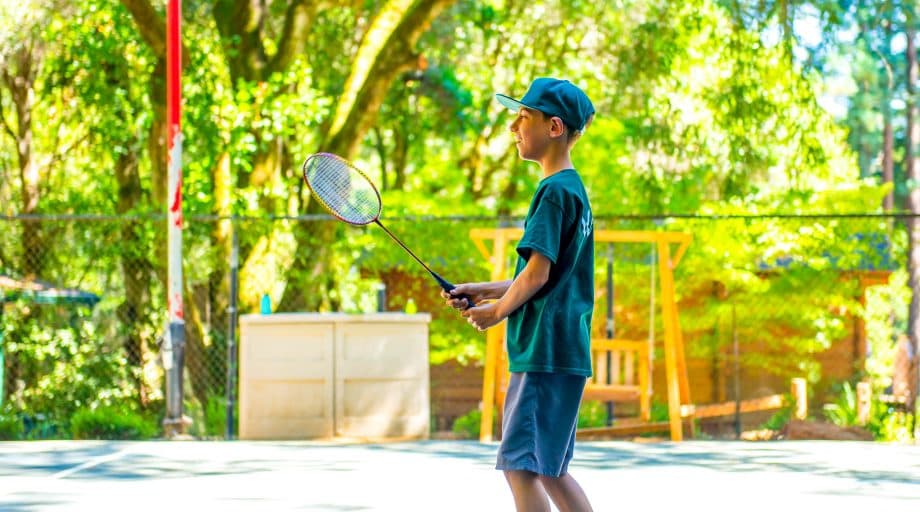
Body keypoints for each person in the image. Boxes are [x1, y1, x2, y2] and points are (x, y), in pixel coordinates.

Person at [442, 77, 596, 512]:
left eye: (523, 117)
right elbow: (540, 275)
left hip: (543, 351)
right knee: (550, 470)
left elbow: (536, 277)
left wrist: (496, 314)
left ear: (554, 128)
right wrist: (482, 289)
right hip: (565, 351)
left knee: (521, 468)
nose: (514, 126)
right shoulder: (574, 191)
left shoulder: (551, 193)